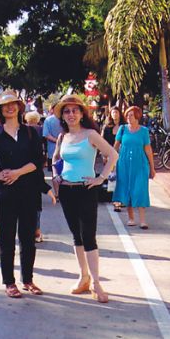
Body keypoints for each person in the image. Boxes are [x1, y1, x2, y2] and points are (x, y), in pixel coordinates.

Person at [0, 90, 45, 299]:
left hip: (29, 192)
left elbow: (38, 162)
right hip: (6, 194)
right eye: (5, 105)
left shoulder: (30, 133)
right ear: (0, 110)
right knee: (7, 239)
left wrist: (17, 172)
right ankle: (9, 282)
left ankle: (28, 279)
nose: (10, 108)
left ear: (20, 108)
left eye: (13, 104)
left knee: (28, 238)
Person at [52, 94, 118, 303]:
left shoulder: (90, 134)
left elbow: (112, 155)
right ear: (62, 115)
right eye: (67, 111)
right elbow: (55, 159)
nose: (71, 114)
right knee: (76, 236)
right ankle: (84, 277)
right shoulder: (63, 137)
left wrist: (101, 178)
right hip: (67, 190)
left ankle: (97, 284)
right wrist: (56, 176)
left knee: (88, 236)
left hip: (86, 190)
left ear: (82, 113)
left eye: (75, 110)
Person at [113, 105, 155, 229]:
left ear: (137, 116)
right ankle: (131, 218)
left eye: (131, 115)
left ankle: (142, 220)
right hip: (124, 163)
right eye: (127, 115)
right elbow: (115, 146)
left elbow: (148, 149)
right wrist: (109, 159)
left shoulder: (144, 131)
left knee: (140, 189)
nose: (128, 117)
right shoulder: (122, 129)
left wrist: (152, 167)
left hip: (140, 164)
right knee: (127, 189)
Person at [25, 110, 54, 243]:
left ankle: (30, 231)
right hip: (35, 168)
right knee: (36, 205)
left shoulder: (22, 130)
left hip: (25, 170)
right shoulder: (39, 129)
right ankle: (37, 231)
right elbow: (43, 143)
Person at [101, 106, 125, 212]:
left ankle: (122, 199)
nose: (115, 114)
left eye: (116, 112)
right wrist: (104, 155)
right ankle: (116, 201)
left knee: (123, 178)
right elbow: (102, 143)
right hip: (110, 156)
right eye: (113, 112)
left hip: (123, 156)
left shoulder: (124, 127)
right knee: (113, 178)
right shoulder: (107, 127)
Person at [42, 103, 62, 171]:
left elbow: (46, 134)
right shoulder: (66, 119)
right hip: (66, 149)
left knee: (54, 173)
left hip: (52, 151)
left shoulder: (48, 120)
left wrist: (57, 141)